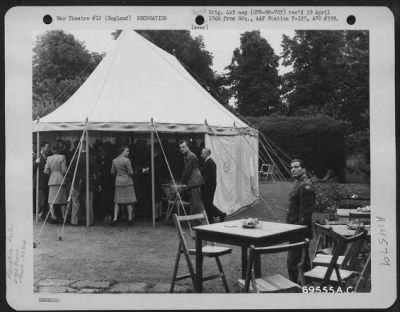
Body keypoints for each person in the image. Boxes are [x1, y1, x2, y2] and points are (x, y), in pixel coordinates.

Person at [286, 158, 315, 282]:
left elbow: (305, 213)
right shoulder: (298, 183)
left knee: (293, 262)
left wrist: (299, 231)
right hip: (294, 229)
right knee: (303, 260)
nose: (293, 169)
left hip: (299, 231)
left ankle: (294, 286)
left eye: (296, 167)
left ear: (304, 169)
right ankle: (307, 284)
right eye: (291, 167)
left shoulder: (305, 186)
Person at [70, 142, 99, 226]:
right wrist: (97, 183)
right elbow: (96, 172)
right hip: (89, 182)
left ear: (79, 148)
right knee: (89, 202)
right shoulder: (93, 158)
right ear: (88, 148)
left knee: (75, 202)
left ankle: (74, 221)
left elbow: (71, 172)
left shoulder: (75, 158)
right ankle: (89, 221)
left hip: (77, 182)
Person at [111, 145, 137, 225]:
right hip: (127, 182)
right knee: (129, 201)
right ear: (122, 151)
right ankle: (129, 219)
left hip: (118, 182)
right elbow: (131, 172)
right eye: (127, 151)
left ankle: (115, 218)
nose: (128, 153)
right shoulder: (127, 160)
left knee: (117, 201)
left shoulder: (114, 160)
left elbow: (112, 173)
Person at [200, 148, 226, 223]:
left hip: (209, 187)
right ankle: (212, 217)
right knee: (207, 203)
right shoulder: (207, 162)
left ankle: (219, 214)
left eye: (202, 153)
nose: (201, 155)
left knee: (207, 203)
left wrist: (204, 183)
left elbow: (211, 176)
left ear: (207, 154)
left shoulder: (210, 163)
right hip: (208, 187)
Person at [179, 140, 204, 214]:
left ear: (188, 147)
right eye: (180, 147)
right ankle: (196, 222)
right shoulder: (187, 155)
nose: (182, 149)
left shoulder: (190, 155)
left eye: (183, 147)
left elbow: (187, 171)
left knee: (196, 204)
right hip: (193, 181)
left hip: (194, 181)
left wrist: (181, 183)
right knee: (194, 203)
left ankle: (202, 222)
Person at [44, 142, 67, 223]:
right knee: (62, 200)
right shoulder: (62, 157)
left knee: (51, 200)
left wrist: (52, 173)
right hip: (61, 180)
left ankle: (53, 216)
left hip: (52, 180)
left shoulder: (49, 158)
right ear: (59, 149)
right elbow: (64, 170)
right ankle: (63, 217)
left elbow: (46, 171)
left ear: (52, 150)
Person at [33, 141, 51, 219]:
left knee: (44, 199)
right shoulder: (37, 156)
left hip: (45, 181)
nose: (48, 149)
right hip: (40, 181)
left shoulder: (46, 156)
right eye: (47, 147)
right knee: (41, 199)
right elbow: (32, 169)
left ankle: (42, 214)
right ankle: (39, 214)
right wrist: (36, 163)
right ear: (42, 147)